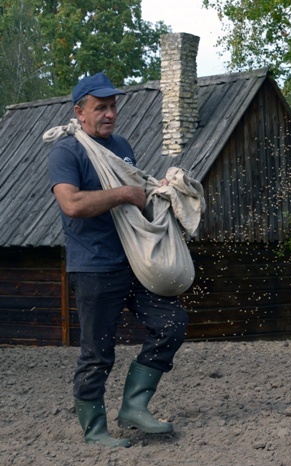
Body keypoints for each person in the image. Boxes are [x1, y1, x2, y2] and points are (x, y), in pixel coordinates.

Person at [48, 73, 189, 448]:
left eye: (112, 107)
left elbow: (134, 196)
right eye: (100, 108)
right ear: (80, 112)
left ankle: (133, 406)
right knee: (98, 352)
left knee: (172, 322)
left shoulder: (122, 146)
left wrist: (158, 193)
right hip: (94, 266)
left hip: (135, 261)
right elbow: (72, 204)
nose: (110, 114)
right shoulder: (68, 151)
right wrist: (124, 192)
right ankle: (95, 431)